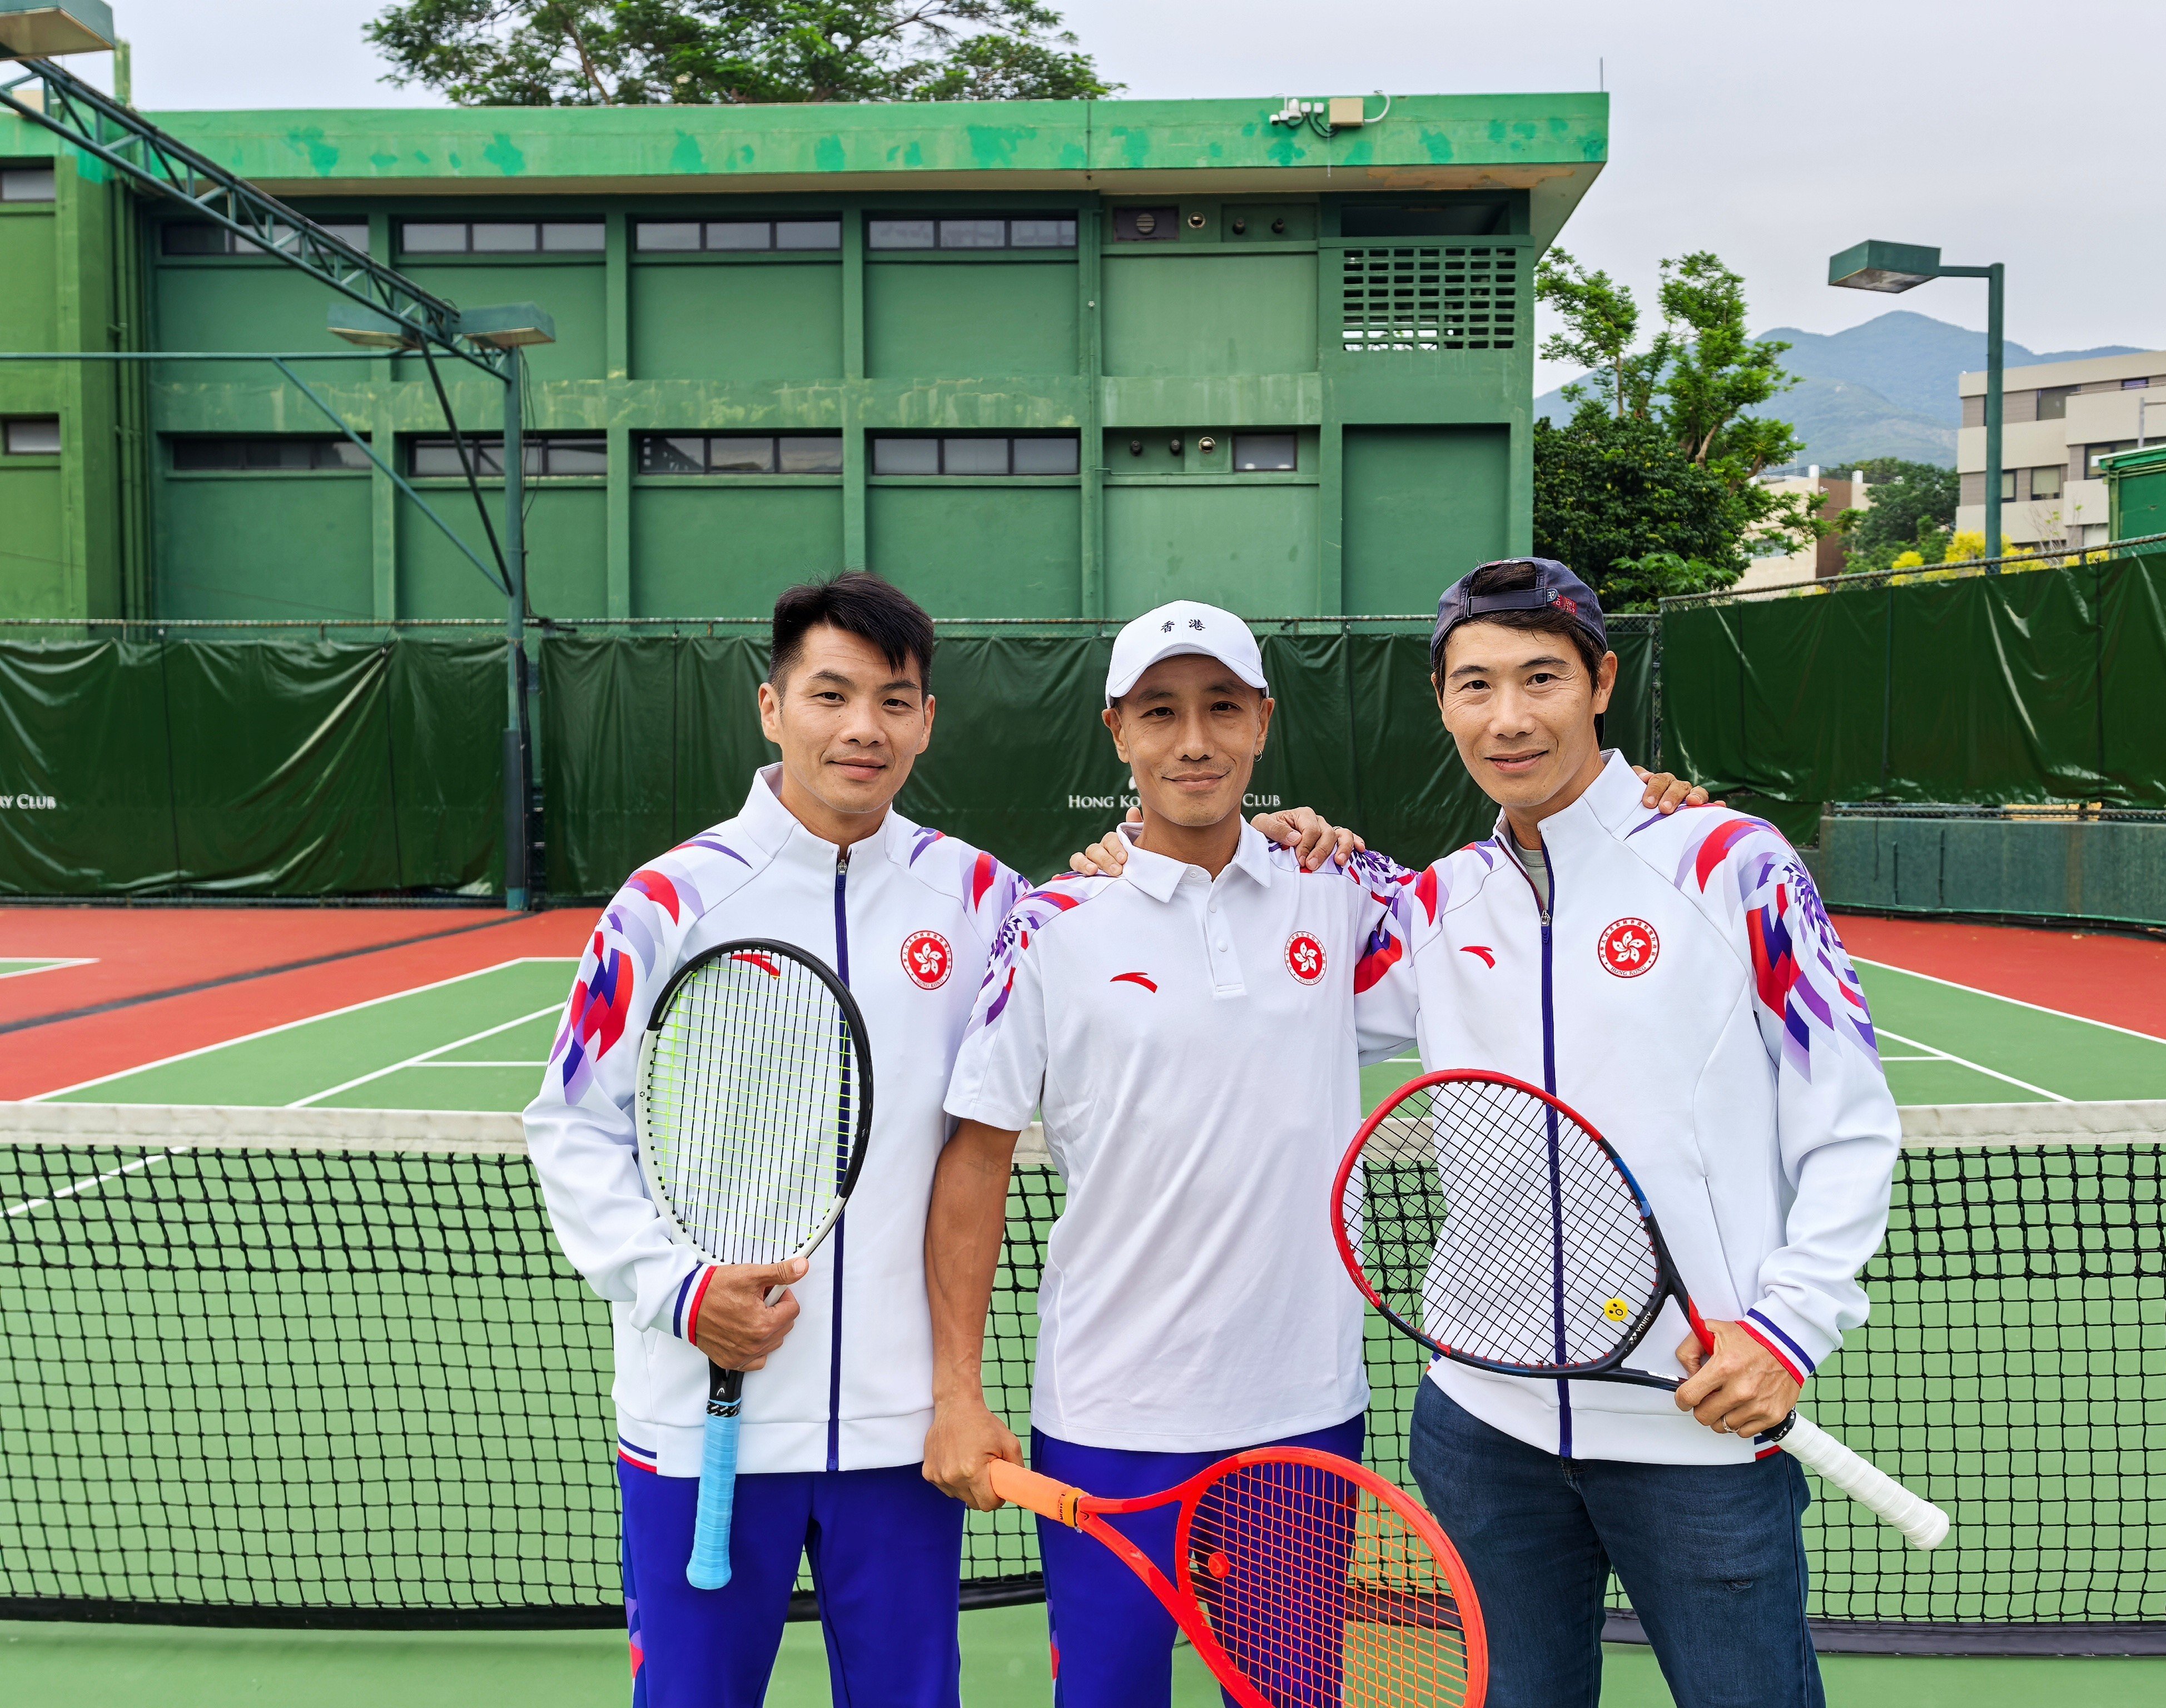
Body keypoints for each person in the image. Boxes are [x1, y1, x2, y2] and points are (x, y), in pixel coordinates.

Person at [521, 573, 1351, 1707]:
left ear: (926, 720)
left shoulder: (985, 900)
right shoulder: (666, 902)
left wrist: (1252, 837)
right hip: (700, 1413)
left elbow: (1145, 898)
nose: (863, 728)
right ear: (772, 707)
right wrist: (675, 1289)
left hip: (902, 1437)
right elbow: (571, 1121)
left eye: (896, 700)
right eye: (831, 695)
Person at [921, 599, 1708, 1706]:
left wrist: (1641, 810)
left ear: (1261, 723)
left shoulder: (1345, 890)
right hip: (1106, 1412)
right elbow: (975, 1159)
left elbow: (1530, 908)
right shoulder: (1051, 923)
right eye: (1159, 712)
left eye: (1219, 710)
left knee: (1294, 1696)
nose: (1191, 741)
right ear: (1116, 733)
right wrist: (957, 1388)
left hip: (1299, 1407)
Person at [1382, 559, 1903, 1708]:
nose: (1508, 717)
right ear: (1441, 703)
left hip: (1694, 1430)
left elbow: (1851, 1127)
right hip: (1482, 1426)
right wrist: (1188, 845)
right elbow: (1281, 956)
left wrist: (1783, 1328)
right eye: (1474, 686)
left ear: (1600, 681)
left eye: (1540, 679)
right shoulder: (1430, 905)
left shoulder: (1732, 864)